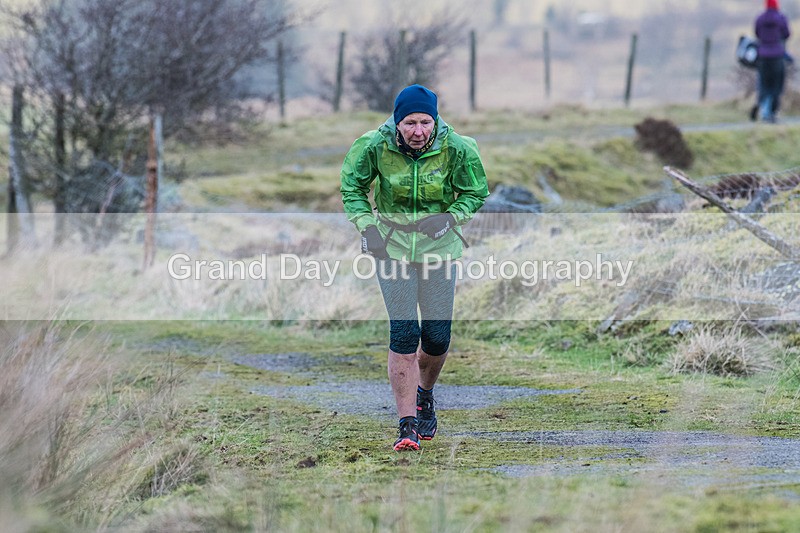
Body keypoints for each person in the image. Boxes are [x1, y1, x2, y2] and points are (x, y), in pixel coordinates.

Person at [340, 85, 489, 451]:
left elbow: (476, 191)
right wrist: (367, 228)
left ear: (435, 121)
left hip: (439, 248)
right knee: (404, 334)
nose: (418, 131)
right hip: (391, 247)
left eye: (425, 122)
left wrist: (450, 218)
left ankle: (425, 394)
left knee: (437, 338)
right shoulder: (373, 144)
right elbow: (352, 187)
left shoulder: (459, 147)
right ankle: (406, 426)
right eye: (410, 122)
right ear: (397, 121)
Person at [755, 0, 791, 122]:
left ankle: (764, 110)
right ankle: (772, 112)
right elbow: (787, 34)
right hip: (777, 55)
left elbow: (757, 33)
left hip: (763, 55)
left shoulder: (760, 18)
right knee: (777, 85)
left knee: (764, 84)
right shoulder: (781, 18)